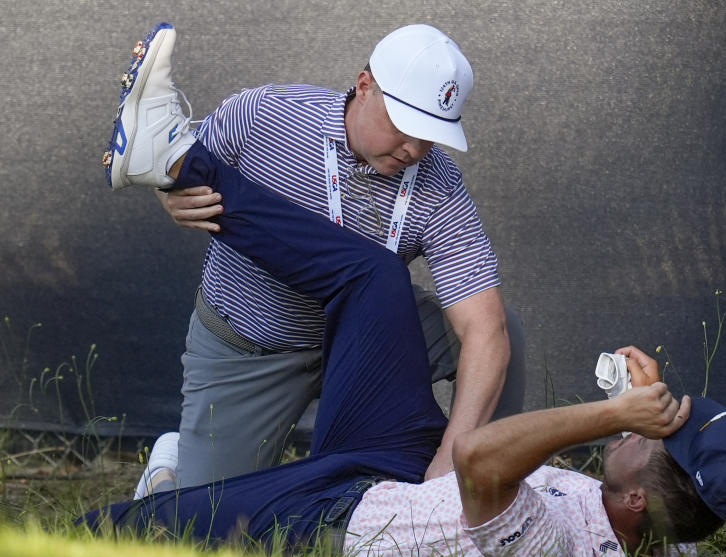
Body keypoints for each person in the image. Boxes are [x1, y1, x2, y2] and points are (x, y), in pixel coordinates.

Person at [86, 112, 726, 557]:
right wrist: (633, 408)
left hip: (339, 519)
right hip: (398, 469)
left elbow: (477, 459)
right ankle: (181, 162)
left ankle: (163, 495)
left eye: (667, 435)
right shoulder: (675, 531)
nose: (663, 418)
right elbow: (683, 489)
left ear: (639, 496)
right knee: (376, 276)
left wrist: (615, 418)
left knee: (117, 541)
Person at [101, 22, 524, 492]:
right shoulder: (266, 114)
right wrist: (170, 194)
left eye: (432, 134)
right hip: (251, 344)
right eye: (406, 125)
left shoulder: (438, 186)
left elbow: (485, 331)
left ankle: (487, 489)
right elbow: (170, 167)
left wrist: (453, 459)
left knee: (498, 333)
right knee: (211, 524)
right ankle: (170, 469)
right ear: (365, 87)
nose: (415, 149)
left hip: (364, 339)